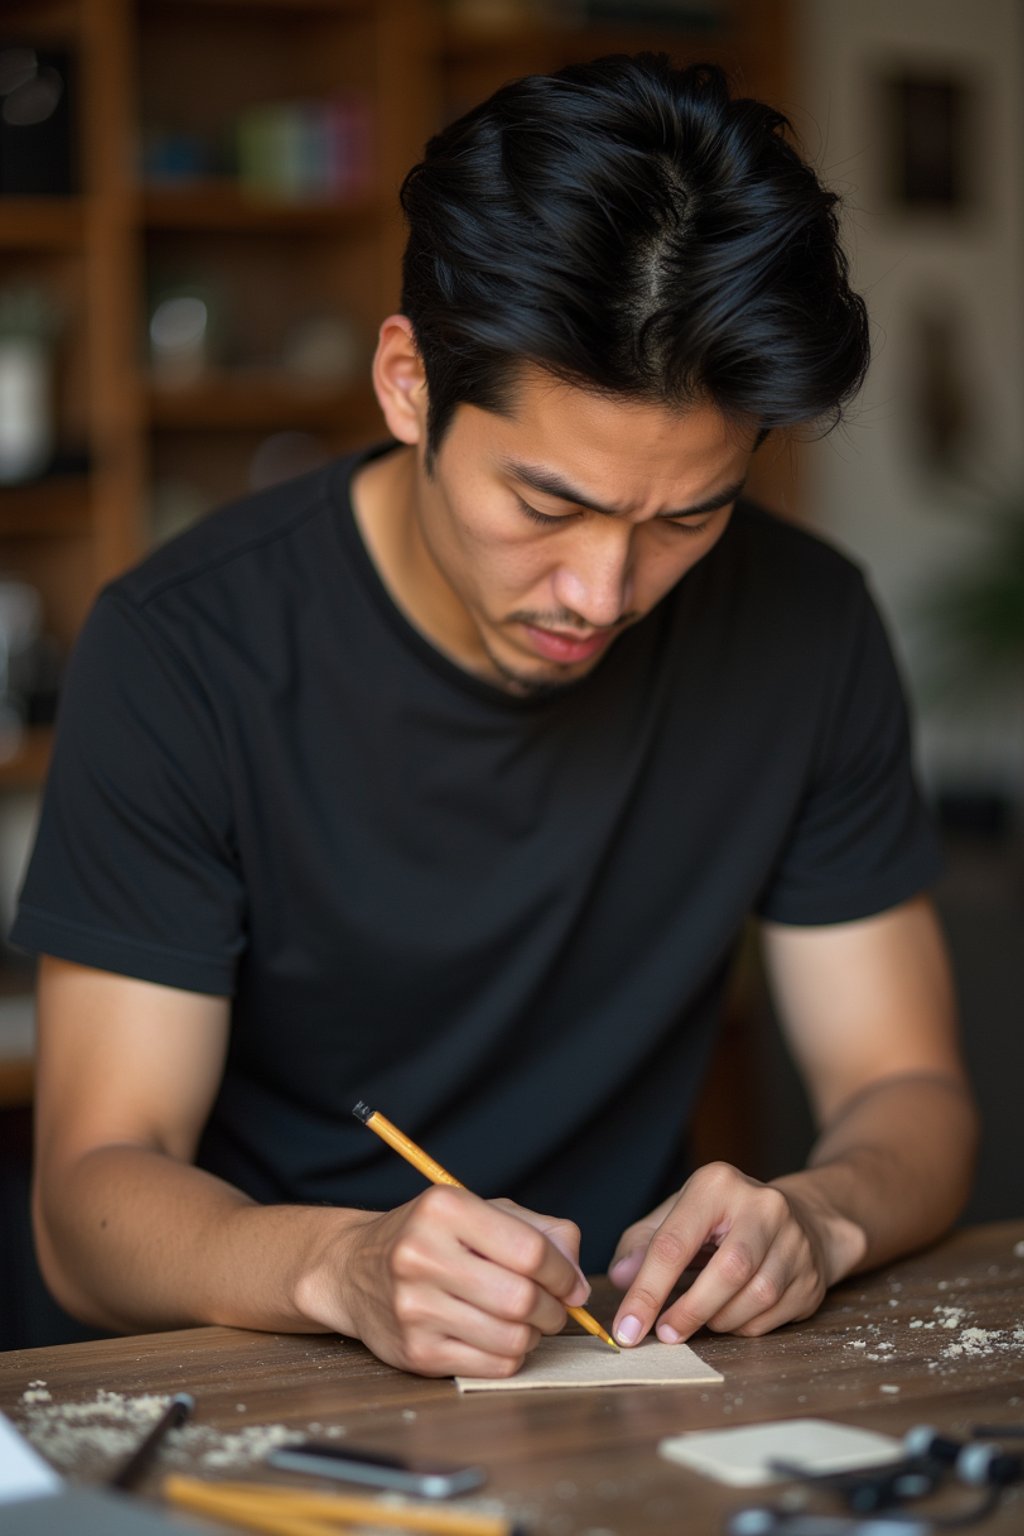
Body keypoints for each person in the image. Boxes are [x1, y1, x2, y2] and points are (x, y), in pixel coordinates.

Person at [14, 54, 976, 1379]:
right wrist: (341, 1266)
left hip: (613, 1359)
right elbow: (88, 1201)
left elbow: (905, 1091)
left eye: (687, 517)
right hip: (259, 1360)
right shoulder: (184, 648)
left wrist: (819, 1216)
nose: (603, 591)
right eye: (544, 505)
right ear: (409, 384)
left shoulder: (806, 627)